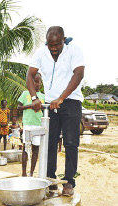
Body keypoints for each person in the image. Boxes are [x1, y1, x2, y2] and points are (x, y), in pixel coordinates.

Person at [27, 26, 85, 196]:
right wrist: (34, 97)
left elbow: (79, 74)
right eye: (50, 45)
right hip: (50, 105)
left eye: (57, 45)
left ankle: (69, 182)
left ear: (63, 40)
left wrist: (62, 97)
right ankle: (50, 180)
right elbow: (30, 75)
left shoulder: (74, 50)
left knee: (70, 143)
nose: (53, 48)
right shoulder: (40, 53)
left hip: (71, 101)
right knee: (50, 143)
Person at [17, 72, 45, 177]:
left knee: (35, 149)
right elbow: (18, 108)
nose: (36, 84)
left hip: (39, 125)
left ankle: (32, 172)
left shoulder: (43, 96)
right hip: (28, 125)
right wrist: (30, 106)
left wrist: (39, 106)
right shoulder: (25, 94)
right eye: (34, 81)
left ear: (41, 83)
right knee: (26, 148)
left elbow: (45, 110)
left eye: (38, 82)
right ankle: (24, 173)